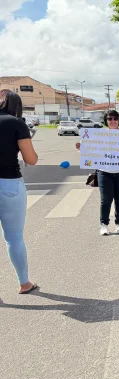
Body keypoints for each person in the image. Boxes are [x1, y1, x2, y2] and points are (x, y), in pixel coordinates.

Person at [0, 90, 38, 294]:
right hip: (8, 183)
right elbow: (31, 159)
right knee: (13, 237)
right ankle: (24, 283)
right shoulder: (16, 124)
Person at [75, 110, 119, 235]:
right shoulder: (98, 134)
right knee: (105, 200)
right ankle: (104, 225)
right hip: (104, 172)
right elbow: (90, 150)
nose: (112, 121)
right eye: (110, 119)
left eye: (115, 118)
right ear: (106, 121)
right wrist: (81, 148)